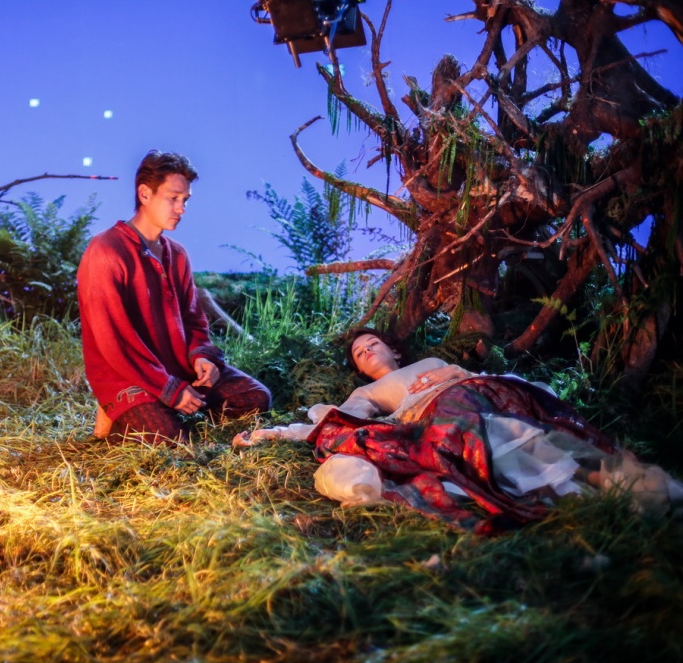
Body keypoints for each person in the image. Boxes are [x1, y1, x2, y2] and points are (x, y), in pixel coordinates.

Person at [235, 328, 682, 534]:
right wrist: (275, 433)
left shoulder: (432, 362)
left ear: (394, 349)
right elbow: (338, 423)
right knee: (487, 431)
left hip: (480, 389)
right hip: (442, 411)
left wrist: (452, 370)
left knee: (509, 418)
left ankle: (603, 481)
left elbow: (473, 375)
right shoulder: (366, 392)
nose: (367, 351)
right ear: (358, 369)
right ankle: (597, 484)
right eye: (358, 353)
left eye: (373, 343)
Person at [77, 150, 271, 444]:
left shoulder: (177, 254)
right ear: (145, 194)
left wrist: (202, 356)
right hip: (128, 377)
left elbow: (193, 319)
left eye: (185, 200)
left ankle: (172, 410)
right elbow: (113, 341)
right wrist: (168, 389)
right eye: (173, 198)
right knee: (172, 440)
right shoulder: (106, 251)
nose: (181, 209)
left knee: (255, 397)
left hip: (178, 370)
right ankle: (116, 415)